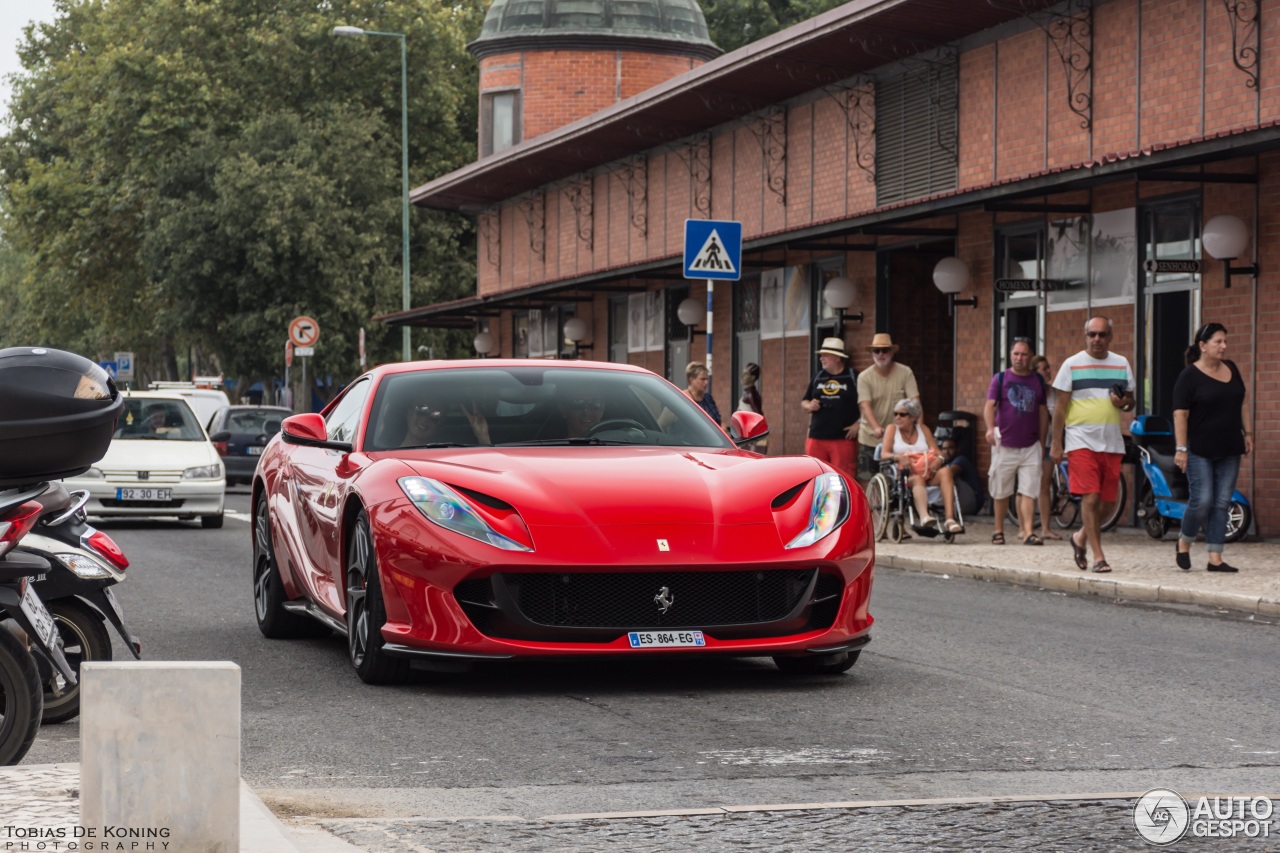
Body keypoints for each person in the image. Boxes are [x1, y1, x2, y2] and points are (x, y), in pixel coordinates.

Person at [1051, 316, 1135, 574]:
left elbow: (1131, 402)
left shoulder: (1121, 363)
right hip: (1080, 441)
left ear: (1110, 337)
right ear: (1085, 336)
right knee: (1091, 497)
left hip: (1111, 442)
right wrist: (1056, 443)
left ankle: (1079, 538)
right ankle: (1099, 556)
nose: (1097, 339)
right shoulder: (1071, 365)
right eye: (1092, 334)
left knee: (1109, 504)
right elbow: (1060, 408)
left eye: (1102, 334)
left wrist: (1123, 403)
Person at [1172, 322, 1252, 573]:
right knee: (1203, 500)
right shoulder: (1189, 376)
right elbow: (1180, 414)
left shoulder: (1232, 368)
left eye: (1225, 341)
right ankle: (1184, 541)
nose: (1224, 346)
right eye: (1218, 341)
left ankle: (1215, 557)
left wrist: (1248, 433)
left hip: (1230, 446)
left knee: (1222, 502)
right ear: (1203, 346)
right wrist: (1181, 449)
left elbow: (1242, 403)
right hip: (1199, 449)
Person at [983, 337, 1049, 545]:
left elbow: (1042, 411)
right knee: (1001, 491)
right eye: (1015, 354)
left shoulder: (1038, 380)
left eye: (1023, 354)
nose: (1019, 358)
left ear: (1031, 356)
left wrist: (1042, 440)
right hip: (1005, 443)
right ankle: (998, 530)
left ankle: (1028, 532)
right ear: (1011, 355)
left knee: (1029, 490)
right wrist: (989, 429)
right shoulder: (1001, 378)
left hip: (1030, 445)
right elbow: (989, 405)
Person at [882, 398, 963, 536]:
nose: (897, 417)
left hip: (927, 471)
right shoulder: (892, 429)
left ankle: (950, 519)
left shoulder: (923, 429)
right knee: (918, 479)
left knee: (946, 472)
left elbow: (938, 452)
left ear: (913, 417)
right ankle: (925, 516)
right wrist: (898, 457)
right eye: (895, 413)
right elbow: (884, 453)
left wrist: (940, 459)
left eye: (902, 414)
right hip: (906, 475)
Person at [857, 333, 920, 480]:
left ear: (892, 352)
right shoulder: (864, 377)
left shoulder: (905, 372)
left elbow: (915, 402)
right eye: (876, 351)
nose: (880, 354)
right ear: (872, 353)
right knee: (868, 478)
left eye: (885, 350)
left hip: (899, 436)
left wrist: (919, 428)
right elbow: (865, 405)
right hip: (871, 437)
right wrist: (876, 428)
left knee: (902, 478)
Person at [800, 337, 859, 479]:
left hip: (842, 438)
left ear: (837, 357)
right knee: (815, 476)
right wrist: (809, 406)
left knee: (842, 478)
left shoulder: (853, 377)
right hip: (816, 437)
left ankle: (841, 502)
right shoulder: (818, 377)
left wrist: (859, 424)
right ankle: (817, 502)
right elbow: (804, 401)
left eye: (825, 355)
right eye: (821, 355)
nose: (821, 358)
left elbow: (866, 403)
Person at [1029, 354, 1062, 540]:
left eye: (1048, 367)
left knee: (1045, 485)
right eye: (1044, 368)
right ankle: (1026, 527)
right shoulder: (1033, 391)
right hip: (1033, 444)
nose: (1048, 371)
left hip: (1050, 443)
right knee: (1030, 484)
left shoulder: (1054, 392)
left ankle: (1045, 528)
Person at [401, 400, 490, 447]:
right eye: (421, 410)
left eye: (435, 416)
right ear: (409, 412)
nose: (425, 419)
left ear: (441, 424)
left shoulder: (447, 458)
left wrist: (483, 437)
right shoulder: (387, 457)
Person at [938, 435, 983, 517]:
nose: (947, 452)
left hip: (972, 502)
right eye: (944, 449)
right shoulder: (946, 463)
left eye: (950, 448)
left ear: (957, 450)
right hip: (965, 501)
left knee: (946, 477)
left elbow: (949, 473)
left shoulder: (961, 460)